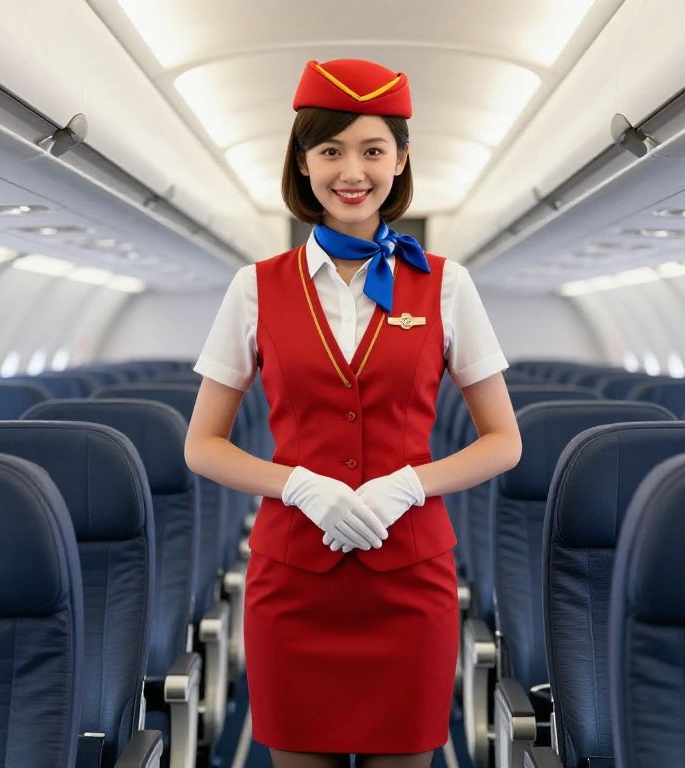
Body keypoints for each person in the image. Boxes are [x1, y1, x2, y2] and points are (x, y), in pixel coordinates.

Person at [185, 57, 522, 768]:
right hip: (294, 583)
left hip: (410, 583)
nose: (352, 170)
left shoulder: (447, 286)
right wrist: (298, 485)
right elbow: (203, 445)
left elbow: (503, 441)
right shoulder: (254, 288)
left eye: (373, 150)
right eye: (331, 148)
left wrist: (408, 484)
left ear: (401, 161)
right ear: (302, 162)